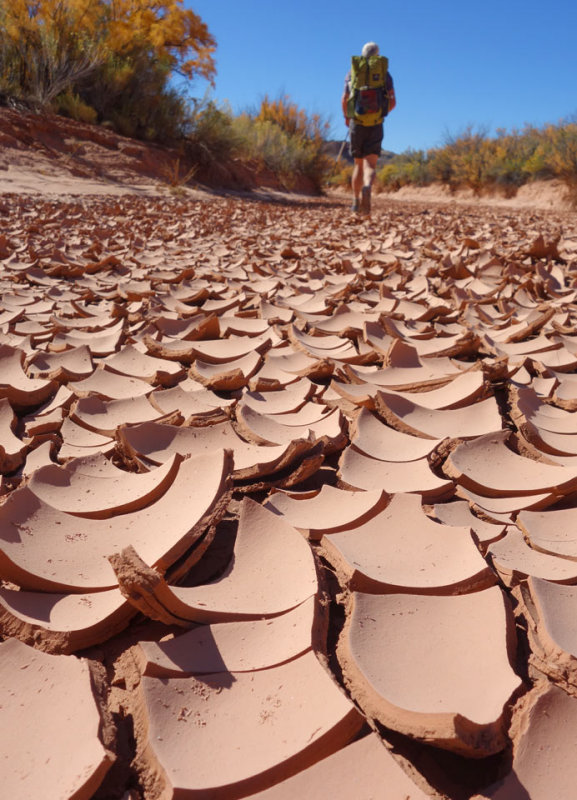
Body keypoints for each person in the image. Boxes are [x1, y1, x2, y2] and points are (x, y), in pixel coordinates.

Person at [341, 42, 396, 214]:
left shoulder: (352, 73)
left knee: (357, 164)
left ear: (362, 54)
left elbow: (344, 99)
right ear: (378, 56)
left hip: (356, 123)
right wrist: (380, 114)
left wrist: (347, 117)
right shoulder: (385, 75)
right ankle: (367, 187)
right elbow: (393, 101)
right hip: (376, 123)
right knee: (370, 164)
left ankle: (356, 202)